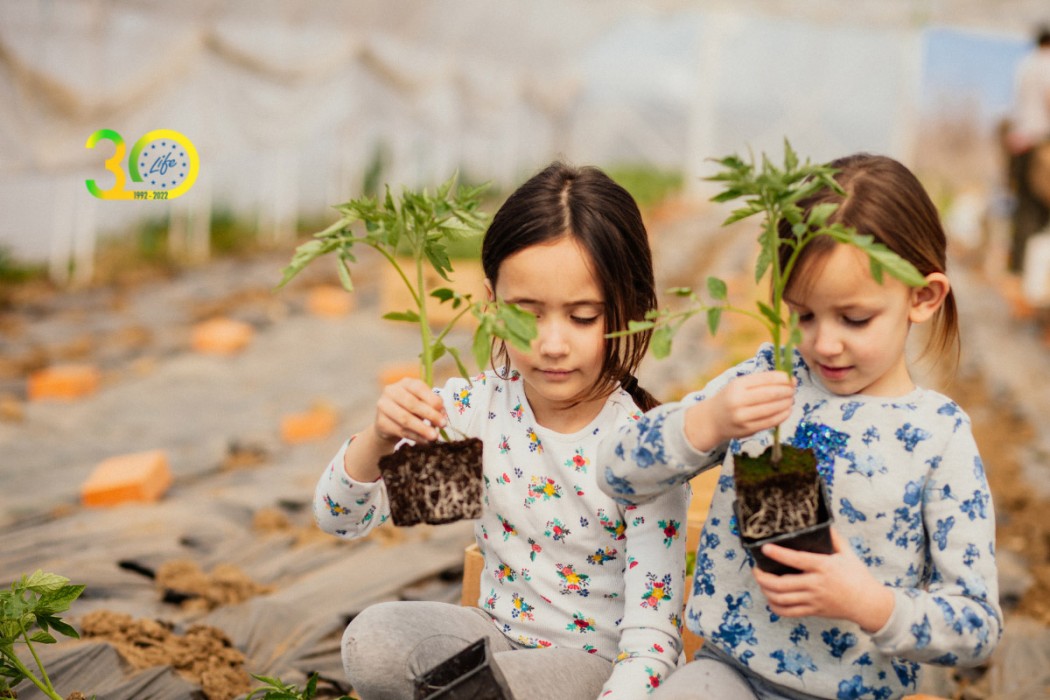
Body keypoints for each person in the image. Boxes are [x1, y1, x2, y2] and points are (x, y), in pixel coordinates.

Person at [597, 154, 1003, 699]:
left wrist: (870, 602)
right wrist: (707, 422)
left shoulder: (938, 436)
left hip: (854, 689)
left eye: (854, 318)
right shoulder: (770, 376)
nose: (823, 343)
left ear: (922, 297)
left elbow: (978, 628)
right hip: (729, 672)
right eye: (804, 315)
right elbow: (618, 470)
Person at [314, 162, 690, 699]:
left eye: (582, 317)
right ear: (491, 304)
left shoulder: (642, 447)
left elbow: (652, 641)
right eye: (526, 313)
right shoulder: (478, 409)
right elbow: (339, 518)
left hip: (592, 670)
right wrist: (378, 439)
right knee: (372, 642)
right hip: (493, 639)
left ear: (630, 310)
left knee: (486, 690)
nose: (552, 343)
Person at [1005, 24, 1050, 274]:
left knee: (1024, 208)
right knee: (1041, 208)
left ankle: (1019, 267)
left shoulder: (1025, 64)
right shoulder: (1047, 64)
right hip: (1039, 145)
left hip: (1020, 143)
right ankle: (1035, 275)